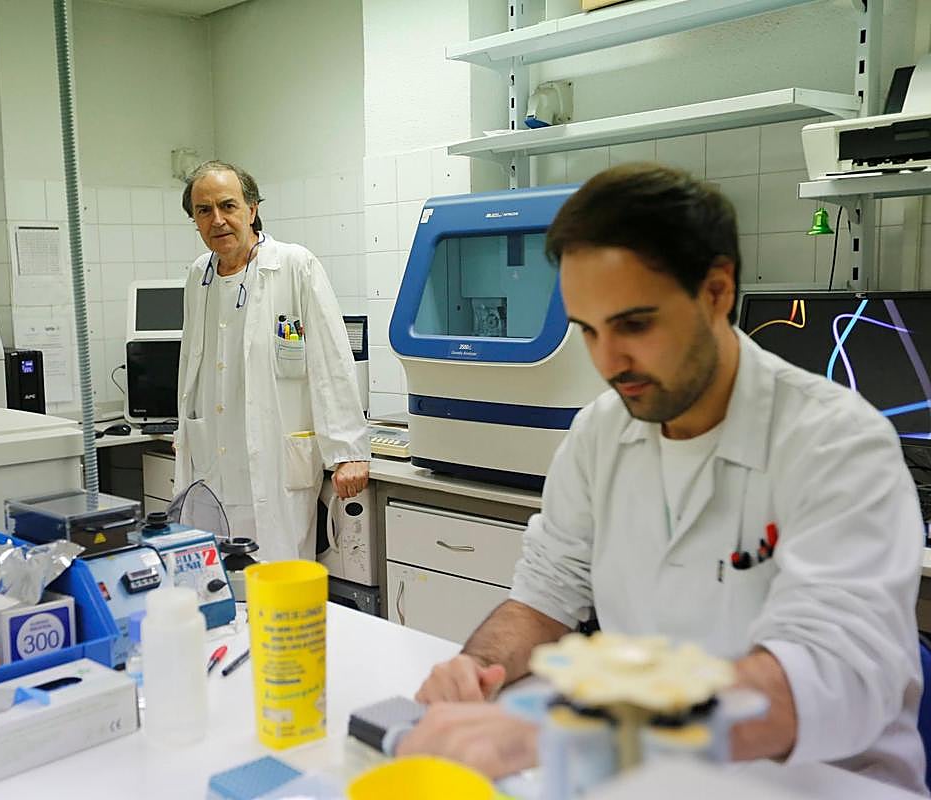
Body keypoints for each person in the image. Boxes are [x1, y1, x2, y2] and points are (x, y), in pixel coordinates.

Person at [399, 163, 926, 793]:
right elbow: (546, 592)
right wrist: (477, 666)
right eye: (587, 331)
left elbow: (826, 681)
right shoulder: (600, 433)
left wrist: (579, 735)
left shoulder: (838, 443)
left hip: (816, 780)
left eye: (634, 325)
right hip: (649, 768)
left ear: (717, 291)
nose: (607, 362)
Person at [173, 161, 370, 562]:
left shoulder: (295, 265)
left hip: (274, 459)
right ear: (194, 220)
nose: (218, 220)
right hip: (213, 454)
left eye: (228, 206)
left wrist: (349, 451)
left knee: (277, 574)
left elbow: (331, 361)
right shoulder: (199, 276)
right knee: (218, 576)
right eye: (203, 210)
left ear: (252, 209)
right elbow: (191, 365)